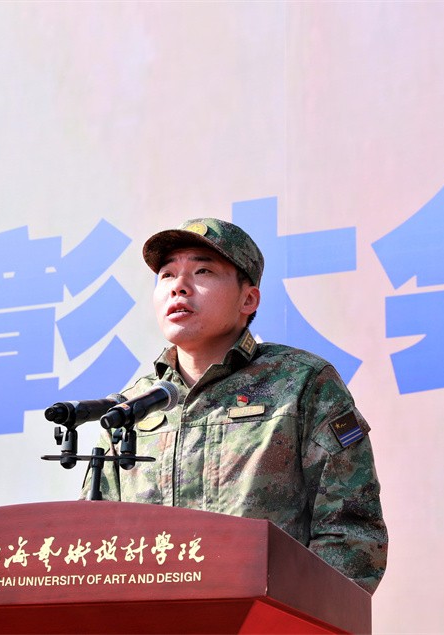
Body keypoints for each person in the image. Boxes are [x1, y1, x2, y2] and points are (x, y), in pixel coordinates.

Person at [86, 217, 388, 593]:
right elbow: (95, 542)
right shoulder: (132, 407)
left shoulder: (301, 383)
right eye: (167, 275)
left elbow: (351, 531)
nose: (179, 286)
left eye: (203, 271)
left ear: (248, 299)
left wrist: (296, 614)